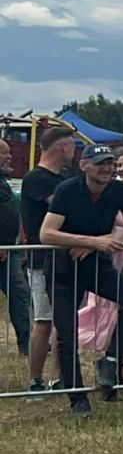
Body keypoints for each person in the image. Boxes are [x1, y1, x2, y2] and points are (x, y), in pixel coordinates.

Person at [39, 144, 123, 414]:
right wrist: (91, 241)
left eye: (110, 163)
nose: (107, 168)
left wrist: (99, 243)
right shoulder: (67, 190)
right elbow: (47, 234)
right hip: (65, 268)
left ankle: (110, 358)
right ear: (84, 165)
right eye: (100, 163)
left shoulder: (119, 190)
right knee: (66, 334)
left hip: (98, 265)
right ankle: (78, 398)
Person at [19, 130, 78, 392]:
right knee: (43, 320)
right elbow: (64, 208)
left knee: (63, 321)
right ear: (63, 147)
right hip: (42, 259)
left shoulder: (63, 178)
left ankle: (59, 377)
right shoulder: (36, 179)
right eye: (73, 146)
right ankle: (35, 380)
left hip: (65, 259)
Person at [1, 150, 29, 360]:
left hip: (9, 253)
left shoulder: (3, 181)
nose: (10, 157)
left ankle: (26, 343)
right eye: (4, 153)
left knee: (20, 295)